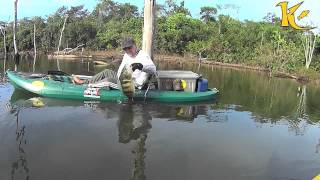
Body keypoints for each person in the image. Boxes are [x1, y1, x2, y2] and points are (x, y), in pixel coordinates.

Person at [73, 38, 156, 89]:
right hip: (123, 79)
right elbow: (121, 68)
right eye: (125, 49)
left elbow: (153, 69)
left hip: (133, 84)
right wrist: (119, 77)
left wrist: (140, 66)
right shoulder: (127, 55)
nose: (127, 50)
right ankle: (84, 82)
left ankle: (86, 86)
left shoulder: (143, 55)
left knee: (108, 80)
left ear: (135, 45)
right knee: (106, 72)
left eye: (129, 48)